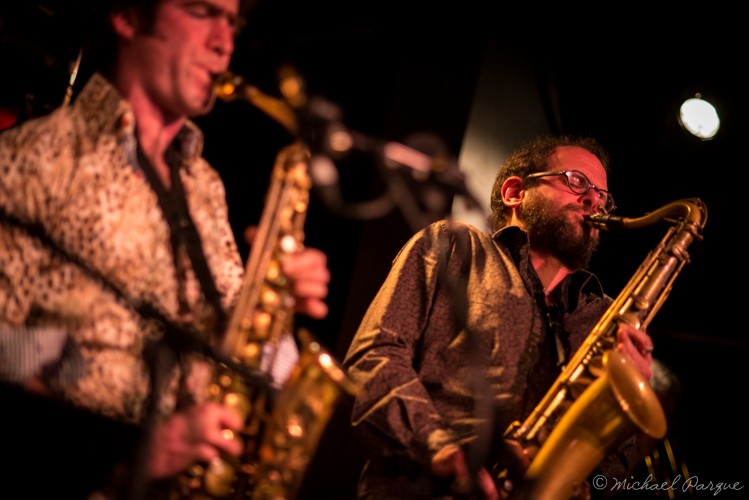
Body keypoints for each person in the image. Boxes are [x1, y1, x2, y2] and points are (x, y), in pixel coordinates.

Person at [0, 0, 330, 497]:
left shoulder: (205, 186)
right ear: (127, 16)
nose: (225, 42)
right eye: (202, 11)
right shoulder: (31, 161)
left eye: (231, 21)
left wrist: (277, 306)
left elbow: (240, 346)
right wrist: (128, 454)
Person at [342, 135, 659, 499]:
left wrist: (623, 405)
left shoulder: (606, 318)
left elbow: (617, 460)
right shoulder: (455, 245)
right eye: (577, 181)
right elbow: (374, 356)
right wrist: (441, 447)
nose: (593, 200)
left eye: (603, 196)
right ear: (514, 193)